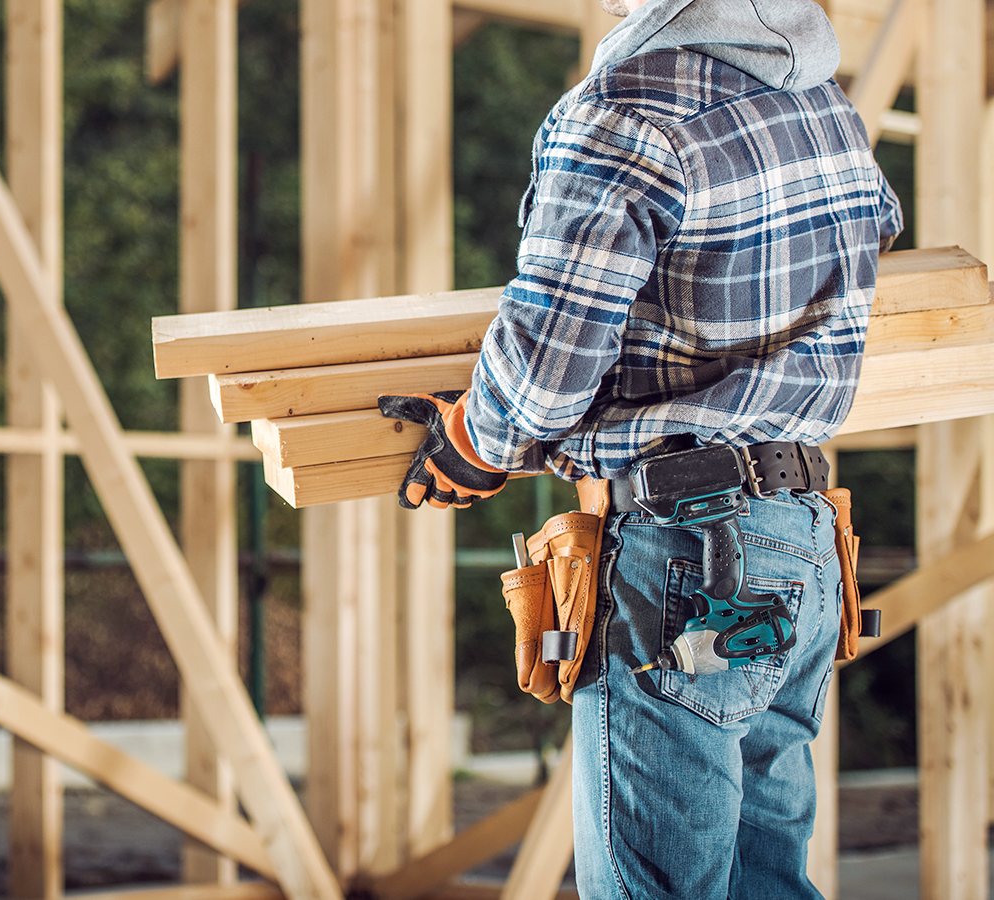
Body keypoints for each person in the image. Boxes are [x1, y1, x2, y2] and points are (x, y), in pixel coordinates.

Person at [378, 0, 903, 896]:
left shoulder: (625, 114)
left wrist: (475, 439)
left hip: (688, 556)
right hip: (805, 543)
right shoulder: (825, 107)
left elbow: (547, 361)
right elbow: (873, 236)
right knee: (767, 879)